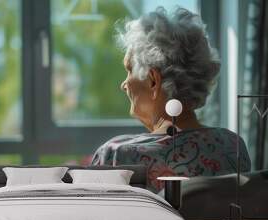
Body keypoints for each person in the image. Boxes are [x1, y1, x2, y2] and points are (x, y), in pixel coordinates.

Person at [91, 7, 251, 192]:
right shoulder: (232, 146)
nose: (124, 83)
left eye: (129, 70)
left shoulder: (116, 156)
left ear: (153, 81)